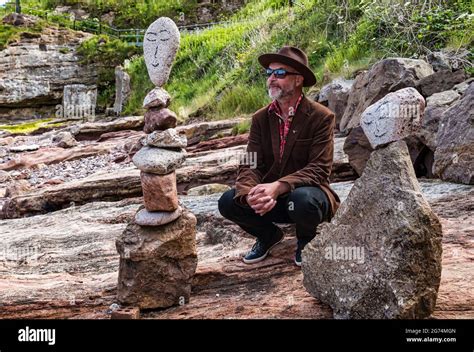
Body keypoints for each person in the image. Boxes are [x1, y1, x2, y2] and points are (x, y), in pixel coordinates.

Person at [218, 46, 340, 267]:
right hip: (272, 202)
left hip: (308, 199)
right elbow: (250, 164)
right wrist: (250, 195)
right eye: (269, 73)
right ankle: (268, 235)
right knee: (228, 201)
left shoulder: (321, 117)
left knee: (302, 200)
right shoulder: (260, 118)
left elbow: (320, 169)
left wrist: (279, 186)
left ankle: (306, 240)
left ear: (298, 80)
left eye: (280, 73)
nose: (272, 78)